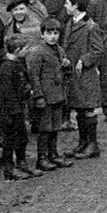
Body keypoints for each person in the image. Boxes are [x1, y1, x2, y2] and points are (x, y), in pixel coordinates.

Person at [61, 0, 105, 159]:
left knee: (88, 109)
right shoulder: (70, 23)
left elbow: (98, 50)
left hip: (85, 76)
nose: (65, 6)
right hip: (74, 75)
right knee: (79, 109)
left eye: (67, 3)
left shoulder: (90, 26)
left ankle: (93, 145)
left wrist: (83, 60)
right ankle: (83, 142)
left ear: (76, 5)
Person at [25, 18, 72, 172]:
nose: (53, 36)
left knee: (55, 127)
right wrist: (38, 96)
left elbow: (66, 75)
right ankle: (42, 158)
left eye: (56, 33)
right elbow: (34, 77)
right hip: (45, 97)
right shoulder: (37, 52)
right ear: (42, 34)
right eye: (49, 33)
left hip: (57, 96)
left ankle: (53, 154)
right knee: (44, 129)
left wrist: (67, 66)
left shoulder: (59, 50)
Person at [0, 34, 43, 180]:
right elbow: (8, 93)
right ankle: (9, 170)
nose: (27, 51)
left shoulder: (16, 64)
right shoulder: (7, 68)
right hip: (9, 111)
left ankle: (22, 163)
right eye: (25, 49)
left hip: (17, 109)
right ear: (17, 50)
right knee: (10, 140)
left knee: (22, 138)